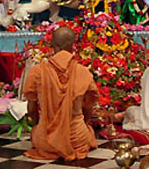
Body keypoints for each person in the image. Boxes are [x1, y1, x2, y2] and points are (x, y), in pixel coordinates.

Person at [23, 26, 99, 161]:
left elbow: (32, 108)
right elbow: (88, 107)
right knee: (88, 132)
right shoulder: (82, 72)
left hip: (45, 140)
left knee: (36, 132)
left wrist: (39, 125)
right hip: (76, 140)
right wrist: (85, 124)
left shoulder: (37, 71)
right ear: (72, 46)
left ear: (52, 44)